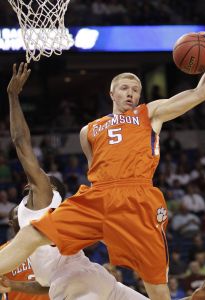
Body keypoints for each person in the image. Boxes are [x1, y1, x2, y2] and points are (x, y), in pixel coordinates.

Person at [0, 32, 205, 300]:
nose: (130, 93)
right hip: (97, 195)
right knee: (33, 234)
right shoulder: (89, 130)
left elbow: (200, 93)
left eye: (135, 90)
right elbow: (95, 167)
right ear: (112, 92)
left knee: (156, 285)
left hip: (137, 197)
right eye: (125, 88)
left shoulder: (150, 113)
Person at [0, 63, 149, 300]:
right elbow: (46, 286)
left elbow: (20, 141)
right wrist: (12, 284)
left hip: (76, 283)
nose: (36, 177)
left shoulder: (42, 201)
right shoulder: (38, 232)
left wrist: (12, 96)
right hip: (97, 279)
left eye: (41, 178)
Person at [0, 206, 49, 300]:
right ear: (11, 223)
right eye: (19, 213)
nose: (24, 215)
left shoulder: (49, 246)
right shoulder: (2, 251)